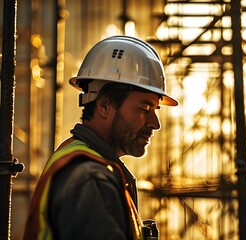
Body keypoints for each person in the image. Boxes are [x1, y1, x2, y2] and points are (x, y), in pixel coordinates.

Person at [23, 36, 178, 240]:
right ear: (104, 105)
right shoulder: (91, 179)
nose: (155, 123)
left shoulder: (84, 164)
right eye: (144, 109)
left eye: (155, 110)